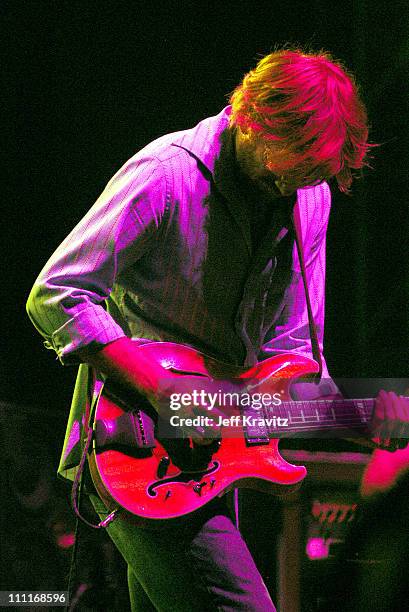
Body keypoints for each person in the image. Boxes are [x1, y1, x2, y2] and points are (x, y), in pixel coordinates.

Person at [26, 48, 409, 611]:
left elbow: (292, 360)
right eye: (292, 164)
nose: (296, 185)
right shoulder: (167, 173)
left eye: (312, 173)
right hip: (134, 450)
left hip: (207, 468)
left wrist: (362, 418)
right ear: (251, 115)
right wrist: (164, 390)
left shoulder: (309, 196)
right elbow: (56, 291)